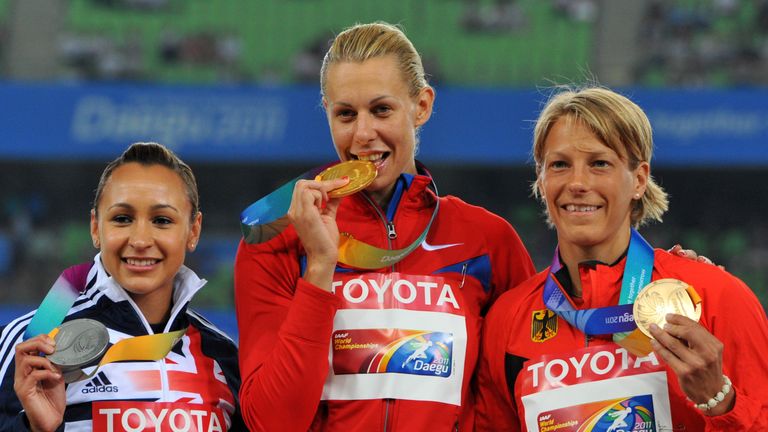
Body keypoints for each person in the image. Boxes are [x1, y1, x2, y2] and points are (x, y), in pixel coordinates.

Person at [234, 22, 536, 431]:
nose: (363, 134)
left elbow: (519, 396)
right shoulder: (277, 238)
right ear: (326, 112)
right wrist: (320, 267)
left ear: (422, 106)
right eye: (345, 114)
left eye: (381, 110)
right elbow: (272, 421)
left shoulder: (487, 240)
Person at [476, 86, 768, 431]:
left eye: (600, 164)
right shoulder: (506, 322)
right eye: (559, 165)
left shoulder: (713, 296)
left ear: (639, 180)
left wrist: (719, 401)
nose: (577, 182)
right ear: (541, 181)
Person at [0, 142, 245, 431]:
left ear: (193, 231)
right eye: (122, 219)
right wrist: (36, 429)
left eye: (162, 220)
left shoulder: (224, 354)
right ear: (95, 227)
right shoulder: (33, 343)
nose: (140, 240)